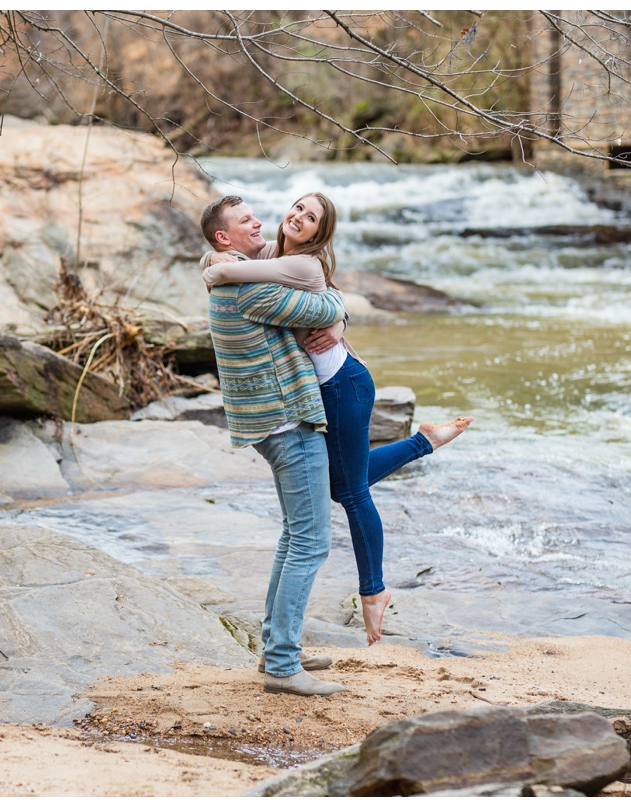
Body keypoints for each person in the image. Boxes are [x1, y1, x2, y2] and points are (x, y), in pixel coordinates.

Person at [203, 192, 473, 646]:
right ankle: (424, 441)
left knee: (349, 490)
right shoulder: (271, 254)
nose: (297, 218)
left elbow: (229, 271)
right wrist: (217, 256)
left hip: (344, 385)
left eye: (311, 218)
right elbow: (233, 262)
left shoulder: (306, 265)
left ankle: (374, 591)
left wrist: (338, 315)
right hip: (318, 389)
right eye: (297, 208)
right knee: (340, 483)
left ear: (318, 233)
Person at [199, 194, 346, 697]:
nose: (259, 221)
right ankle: (283, 665)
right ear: (225, 238)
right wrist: (340, 313)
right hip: (286, 421)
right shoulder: (253, 292)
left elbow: (322, 305)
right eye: (245, 221)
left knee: (293, 537)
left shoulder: (242, 272)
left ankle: (277, 648)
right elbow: (324, 305)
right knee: (310, 542)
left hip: (270, 419)